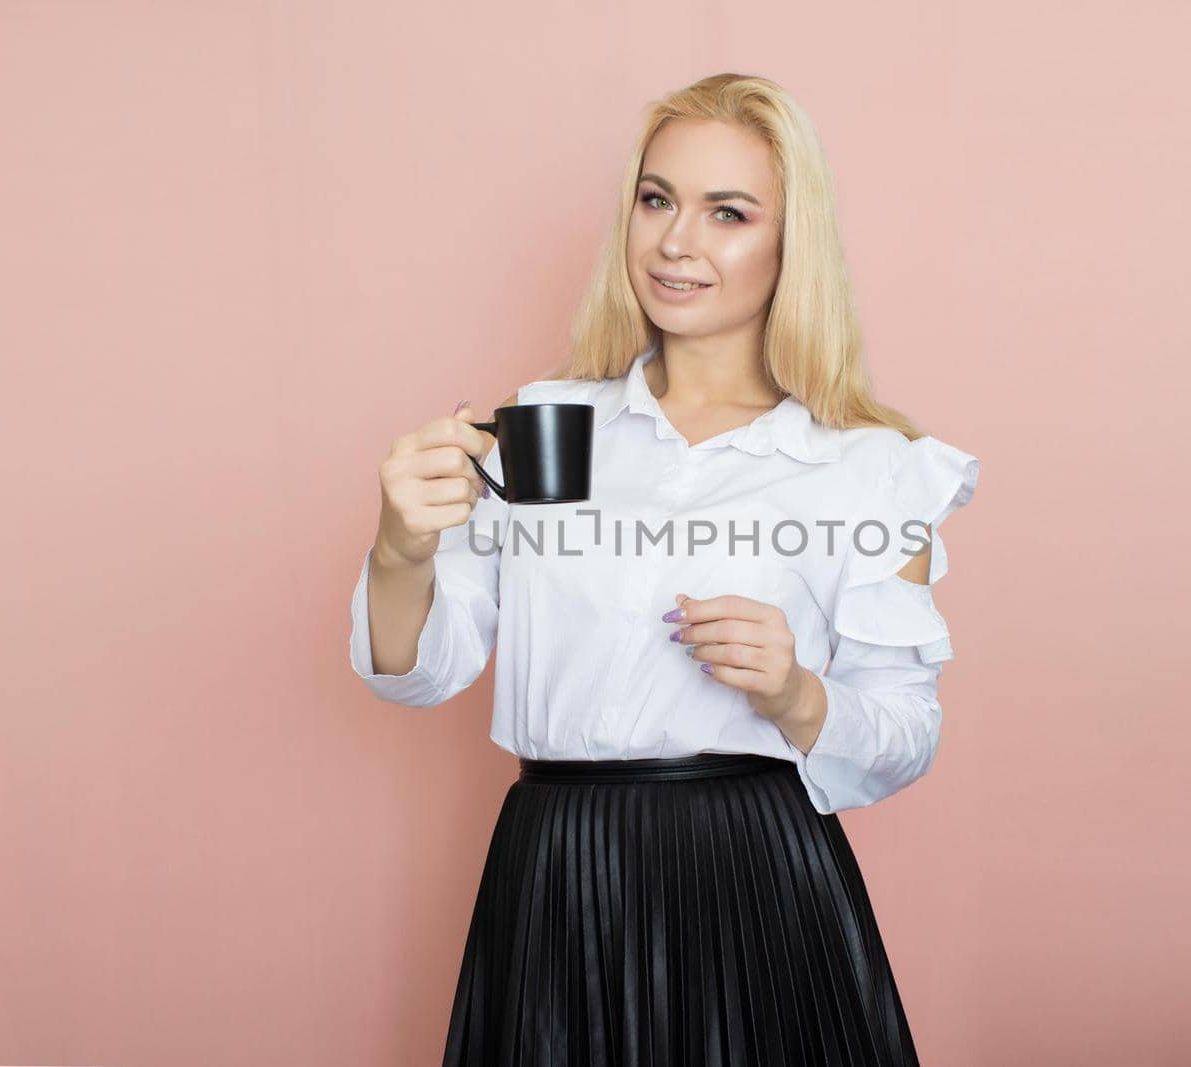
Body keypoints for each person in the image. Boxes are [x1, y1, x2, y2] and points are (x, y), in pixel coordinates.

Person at [349, 73, 980, 1067]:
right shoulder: (544, 431)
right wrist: (399, 546)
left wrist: (795, 691)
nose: (676, 241)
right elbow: (417, 670)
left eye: (727, 212)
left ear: (790, 243)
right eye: (656, 199)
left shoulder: (870, 468)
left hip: (756, 872)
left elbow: (904, 734)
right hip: (555, 865)